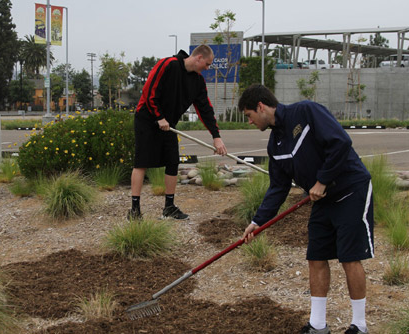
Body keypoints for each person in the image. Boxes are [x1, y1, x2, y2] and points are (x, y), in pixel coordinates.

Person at [238, 85, 373, 334]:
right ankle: (318, 326)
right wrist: (258, 222)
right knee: (316, 257)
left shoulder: (307, 112)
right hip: (321, 200)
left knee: (349, 258)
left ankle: (360, 325)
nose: (249, 121)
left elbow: (341, 143)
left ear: (261, 106)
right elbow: (278, 188)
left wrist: (322, 180)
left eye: (249, 115)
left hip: (351, 190)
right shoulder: (275, 145)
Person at [128, 45, 227, 220]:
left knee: (172, 161)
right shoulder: (168, 65)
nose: (207, 68)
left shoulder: (197, 82)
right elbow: (149, 92)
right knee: (141, 162)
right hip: (147, 118)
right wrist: (159, 117)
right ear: (198, 58)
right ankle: (134, 210)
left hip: (168, 124)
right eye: (207, 64)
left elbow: (205, 109)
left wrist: (216, 136)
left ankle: (169, 208)